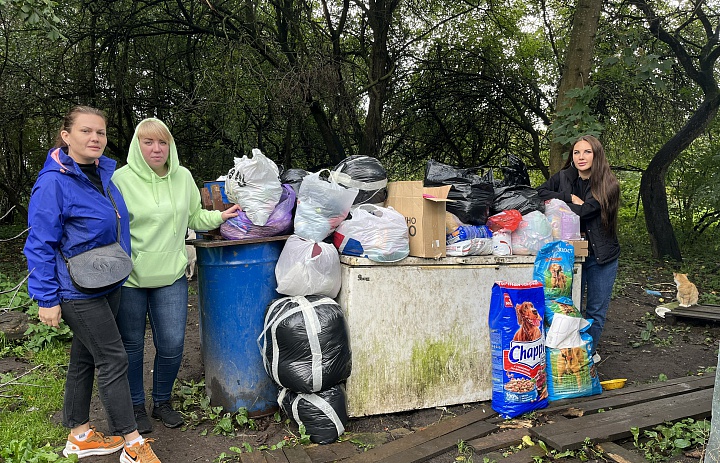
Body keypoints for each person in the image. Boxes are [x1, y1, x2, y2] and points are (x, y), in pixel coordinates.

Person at [23, 106, 161, 462]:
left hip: (107, 279)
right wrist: (45, 298)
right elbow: (40, 243)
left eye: (100, 132)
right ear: (67, 136)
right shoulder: (53, 182)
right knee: (114, 358)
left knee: (84, 358)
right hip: (74, 289)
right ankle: (131, 443)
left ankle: (79, 435)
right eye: (86, 131)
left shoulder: (104, 173)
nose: (95, 138)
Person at [112, 118, 239, 433]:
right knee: (131, 346)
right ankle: (137, 407)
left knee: (171, 343)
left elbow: (194, 215)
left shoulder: (182, 177)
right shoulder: (119, 179)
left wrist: (220, 216)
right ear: (136, 146)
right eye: (148, 142)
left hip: (170, 275)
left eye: (162, 142)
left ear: (170, 146)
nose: (156, 149)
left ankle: (162, 401)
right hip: (130, 278)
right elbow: (109, 226)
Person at [536, 135, 620, 362]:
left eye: (587, 152)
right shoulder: (564, 177)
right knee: (567, 308)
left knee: (595, 311)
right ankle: (565, 355)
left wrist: (562, 206)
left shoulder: (608, 184)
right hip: (570, 257)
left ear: (597, 155)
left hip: (602, 256)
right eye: (576, 152)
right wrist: (567, 197)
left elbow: (584, 213)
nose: (581, 157)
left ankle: (587, 356)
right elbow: (539, 194)